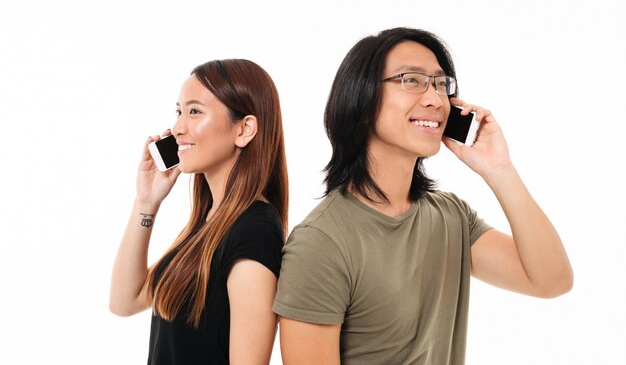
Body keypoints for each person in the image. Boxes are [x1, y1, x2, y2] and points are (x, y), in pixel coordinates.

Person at [272, 27, 573, 365]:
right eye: (411, 80)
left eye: (441, 84)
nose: (435, 99)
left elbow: (552, 280)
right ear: (362, 99)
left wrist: (500, 170)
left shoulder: (450, 217)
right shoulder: (321, 243)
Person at [110, 59, 288, 365]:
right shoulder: (209, 223)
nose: (178, 128)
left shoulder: (253, 232)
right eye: (179, 111)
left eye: (195, 111)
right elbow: (124, 301)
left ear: (244, 129)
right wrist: (146, 203)